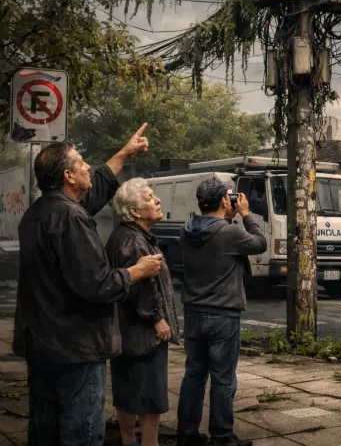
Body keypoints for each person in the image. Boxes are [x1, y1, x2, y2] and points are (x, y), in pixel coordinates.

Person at [13, 125, 165, 446]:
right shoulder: (72, 218)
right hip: (75, 348)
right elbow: (97, 284)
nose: (87, 167)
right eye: (81, 163)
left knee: (45, 431)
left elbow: (95, 191)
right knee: (81, 432)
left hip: (41, 345)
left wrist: (124, 153)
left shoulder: (37, 213)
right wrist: (135, 271)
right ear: (68, 176)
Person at [177, 175, 267, 446]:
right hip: (222, 316)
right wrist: (246, 213)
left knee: (193, 375)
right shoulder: (230, 232)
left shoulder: (186, 229)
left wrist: (226, 215)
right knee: (223, 378)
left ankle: (187, 433)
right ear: (224, 200)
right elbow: (260, 242)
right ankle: (222, 436)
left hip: (193, 313)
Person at [106, 178, 181, 446]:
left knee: (127, 390)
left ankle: (130, 442)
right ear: (135, 211)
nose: (157, 200)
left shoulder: (126, 236)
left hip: (127, 333)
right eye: (149, 198)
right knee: (150, 396)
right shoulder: (133, 241)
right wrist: (158, 321)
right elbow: (140, 289)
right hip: (143, 334)